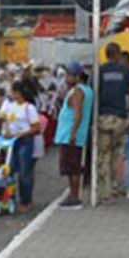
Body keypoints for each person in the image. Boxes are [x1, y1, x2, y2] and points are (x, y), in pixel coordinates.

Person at [94, 43, 129, 205]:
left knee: (103, 154)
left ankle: (104, 192)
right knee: (117, 154)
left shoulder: (99, 71)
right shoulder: (125, 71)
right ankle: (114, 186)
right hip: (120, 118)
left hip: (103, 118)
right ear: (117, 54)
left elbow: (95, 93)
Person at [55, 65, 93, 208]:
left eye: (69, 75)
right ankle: (72, 195)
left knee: (72, 167)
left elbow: (78, 113)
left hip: (70, 135)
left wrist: (73, 133)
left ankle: (75, 197)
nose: (66, 79)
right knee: (71, 167)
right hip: (70, 134)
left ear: (77, 77)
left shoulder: (78, 91)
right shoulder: (85, 90)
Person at [6, 78, 43, 210]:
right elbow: (7, 121)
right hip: (11, 142)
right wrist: (7, 131)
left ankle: (25, 201)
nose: (11, 94)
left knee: (24, 172)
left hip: (25, 141)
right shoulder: (10, 106)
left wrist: (21, 134)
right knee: (9, 171)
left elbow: (36, 127)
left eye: (12, 92)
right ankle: (9, 198)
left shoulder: (29, 107)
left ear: (18, 93)